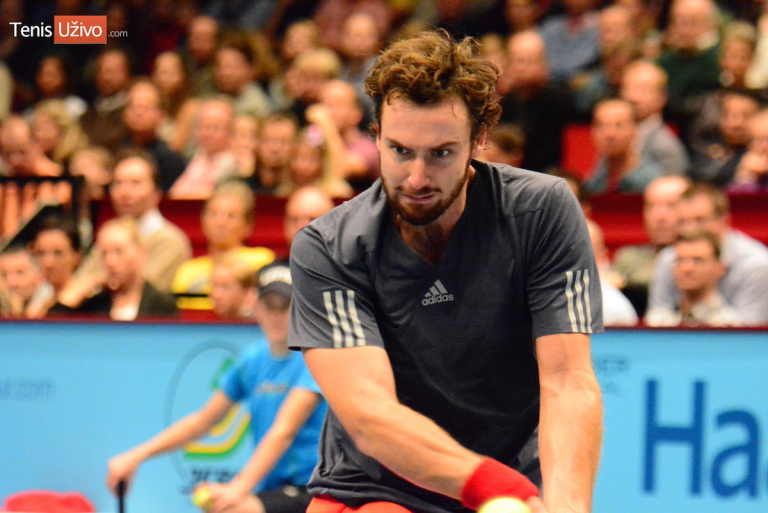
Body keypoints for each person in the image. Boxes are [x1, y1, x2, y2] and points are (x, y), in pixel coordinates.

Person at [289, 30, 603, 513]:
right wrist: (498, 488)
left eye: (441, 153)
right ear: (376, 135)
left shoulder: (543, 211)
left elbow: (568, 381)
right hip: (376, 491)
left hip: (509, 488)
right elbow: (371, 416)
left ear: (479, 140)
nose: (416, 178)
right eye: (399, 150)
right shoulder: (328, 246)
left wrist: (566, 508)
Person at [106, 261, 328, 513]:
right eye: (269, 305)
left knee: (230, 508)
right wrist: (136, 456)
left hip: (311, 489)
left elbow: (284, 431)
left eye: (285, 306)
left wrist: (238, 487)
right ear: (255, 305)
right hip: (271, 489)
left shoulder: (312, 359)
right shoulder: (252, 360)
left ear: (300, 308)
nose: (277, 316)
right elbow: (203, 421)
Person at [62, 151, 191, 304]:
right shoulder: (108, 236)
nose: (125, 193)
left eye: (135, 183)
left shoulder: (170, 242)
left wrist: (97, 283)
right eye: (118, 184)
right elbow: (80, 282)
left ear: (156, 193)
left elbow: (140, 290)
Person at [648, 183, 768, 326]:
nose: (690, 229)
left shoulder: (756, 264)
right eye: (682, 222)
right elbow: (657, 318)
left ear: (723, 220)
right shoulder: (669, 259)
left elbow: (751, 330)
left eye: (700, 220)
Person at [50, 217, 178, 320]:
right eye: (104, 254)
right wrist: (72, 295)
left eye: (118, 251)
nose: (110, 262)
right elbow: (51, 330)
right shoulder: (94, 305)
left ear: (141, 254)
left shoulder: (162, 306)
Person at [171, 180, 275, 299]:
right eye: (214, 214)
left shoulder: (263, 262)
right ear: (203, 221)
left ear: (248, 226)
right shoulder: (187, 271)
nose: (220, 222)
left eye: (231, 216)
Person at [612, 175, 690, 316]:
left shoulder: (709, 257)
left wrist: (627, 284)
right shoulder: (629, 258)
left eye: (671, 205)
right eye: (651, 206)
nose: (660, 216)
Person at [645, 230, 739, 327]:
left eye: (698, 260)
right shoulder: (657, 322)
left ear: (720, 268)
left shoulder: (731, 325)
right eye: (680, 260)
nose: (686, 268)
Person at [584, 98, 664, 194]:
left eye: (619, 125)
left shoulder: (652, 184)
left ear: (635, 129)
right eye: (600, 125)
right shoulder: (594, 181)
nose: (609, 134)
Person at [0, 245, 53, 318]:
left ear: (40, 278)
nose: (11, 283)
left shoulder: (54, 307)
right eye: (4, 275)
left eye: (20, 273)